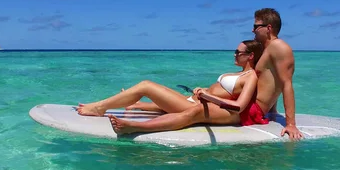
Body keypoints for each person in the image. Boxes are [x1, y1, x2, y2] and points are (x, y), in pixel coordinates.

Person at [76, 40, 266, 133]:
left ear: (250, 56)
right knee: (149, 87)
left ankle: (105, 110)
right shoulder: (239, 73)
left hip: (202, 106)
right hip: (195, 101)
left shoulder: (251, 77)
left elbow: (239, 106)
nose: (234, 55)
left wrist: (207, 97)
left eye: (237, 52)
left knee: (146, 85)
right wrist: (204, 91)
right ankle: (132, 104)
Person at [252, 8, 303, 140]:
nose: (253, 30)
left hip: (252, 109)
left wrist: (290, 124)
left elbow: (286, 83)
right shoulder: (266, 49)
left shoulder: (279, 47)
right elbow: (271, 79)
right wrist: (272, 110)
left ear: (268, 28)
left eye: (256, 26)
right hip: (249, 104)